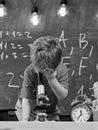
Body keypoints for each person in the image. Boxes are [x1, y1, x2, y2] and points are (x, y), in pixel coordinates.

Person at [15, 36, 69, 121]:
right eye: (38, 68)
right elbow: (26, 99)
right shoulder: (30, 71)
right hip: (27, 108)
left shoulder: (62, 69)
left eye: (44, 70)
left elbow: (62, 95)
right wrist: (25, 120)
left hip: (50, 111)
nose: (39, 72)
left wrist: (52, 79)